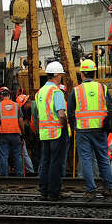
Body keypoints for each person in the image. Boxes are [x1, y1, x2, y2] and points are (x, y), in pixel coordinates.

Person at [68, 58, 112, 199]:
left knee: (86, 160)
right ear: (94, 73)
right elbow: (111, 109)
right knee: (103, 158)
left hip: (83, 130)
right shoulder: (102, 88)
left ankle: (91, 190)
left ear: (82, 74)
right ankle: (108, 188)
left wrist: (75, 126)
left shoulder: (76, 91)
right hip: (100, 129)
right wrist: (107, 124)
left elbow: (70, 112)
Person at [33, 61, 69, 201]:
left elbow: (36, 114)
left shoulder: (40, 92)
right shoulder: (56, 92)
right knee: (56, 162)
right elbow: (61, 114)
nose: (61, 77)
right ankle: (54, 192)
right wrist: (65, 128)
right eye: (60, 75)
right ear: (57, 75)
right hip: (56, 132)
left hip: (44, 133)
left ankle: (44, 190)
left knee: (45, 161)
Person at [0, 86, 24, 176]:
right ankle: (19, 175)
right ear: (9, 95)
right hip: (15, 133)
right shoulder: (17, 106)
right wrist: (22, 132)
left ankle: (4, 175)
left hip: (3, 133)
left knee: (4, 155)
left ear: (1, 96)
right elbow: (20, 121)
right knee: (17, 155)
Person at [16, 93, 36, 175]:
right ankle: (31, 170)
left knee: (25, 154)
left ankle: (31, 171)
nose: (23, 108)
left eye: (23, 106)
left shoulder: (34, 107)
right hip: (35, 133)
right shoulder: (30, 108)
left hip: (38, 133)